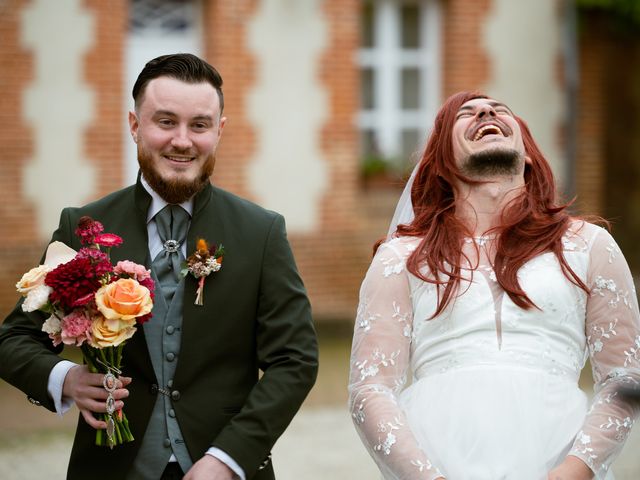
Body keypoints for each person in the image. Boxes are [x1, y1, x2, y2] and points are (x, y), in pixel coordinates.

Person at [0, 53, 318, 480]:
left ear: (219, 131)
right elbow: (14, 339)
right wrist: (66, 377)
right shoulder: (84, 227)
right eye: (165, 122)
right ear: (134, 126)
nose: (182, 141)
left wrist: (229, 458)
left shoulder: (261, 233)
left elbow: (294, 360)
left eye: (199, 125)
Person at [348, 91, 640, 480]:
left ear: (529, 153)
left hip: (558, 458)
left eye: (501, 110)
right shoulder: (400, 259)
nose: (486, 112)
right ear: (441, 164)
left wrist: (575, 469)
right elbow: (370, 390)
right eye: (464, 114)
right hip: (438, 461)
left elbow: (624, 379)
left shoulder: (589, 245)